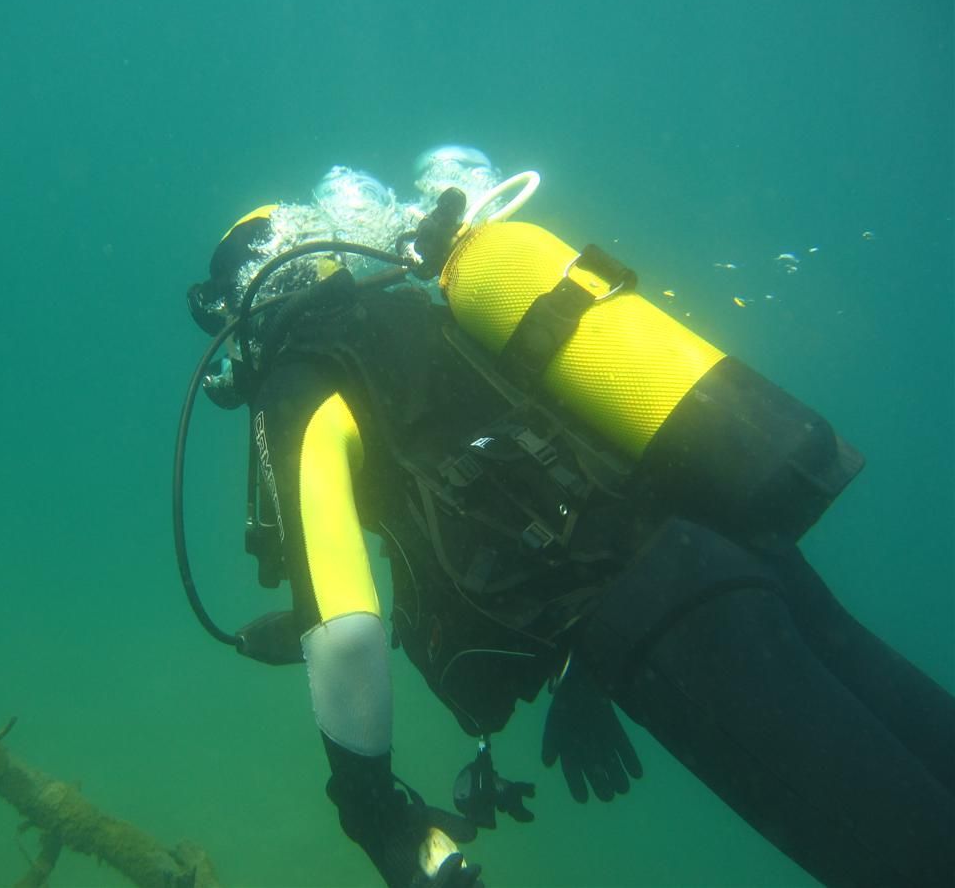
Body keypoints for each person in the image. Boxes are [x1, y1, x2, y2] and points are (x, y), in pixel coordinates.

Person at [181, 148, 955, 887]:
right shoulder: (437, 311)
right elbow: (564, 483)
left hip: (673, 630)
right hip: (740, 546)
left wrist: (372, 812)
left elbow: (344, 628)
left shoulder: (301, 381)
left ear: (245, 307)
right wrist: (583, 670)